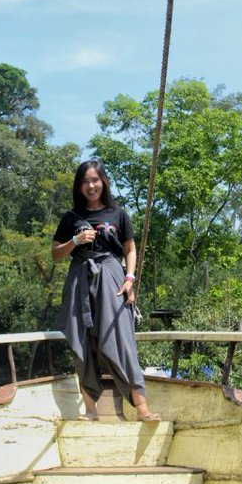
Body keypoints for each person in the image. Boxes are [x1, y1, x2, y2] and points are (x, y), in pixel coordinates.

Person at [52, 159, 159, 422]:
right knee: (82, 342)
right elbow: (55, 254)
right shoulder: (71, 218)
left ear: (104, 182)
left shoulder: (117, 213)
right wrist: (75, 240)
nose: (91, 186)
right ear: (79, 186)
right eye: (85, 181)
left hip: (111, 276)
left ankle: (142, 408)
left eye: (95, 180)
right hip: (79, 278)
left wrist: (129, 278)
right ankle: (91, 410)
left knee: (120, 339)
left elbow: (130, 249)